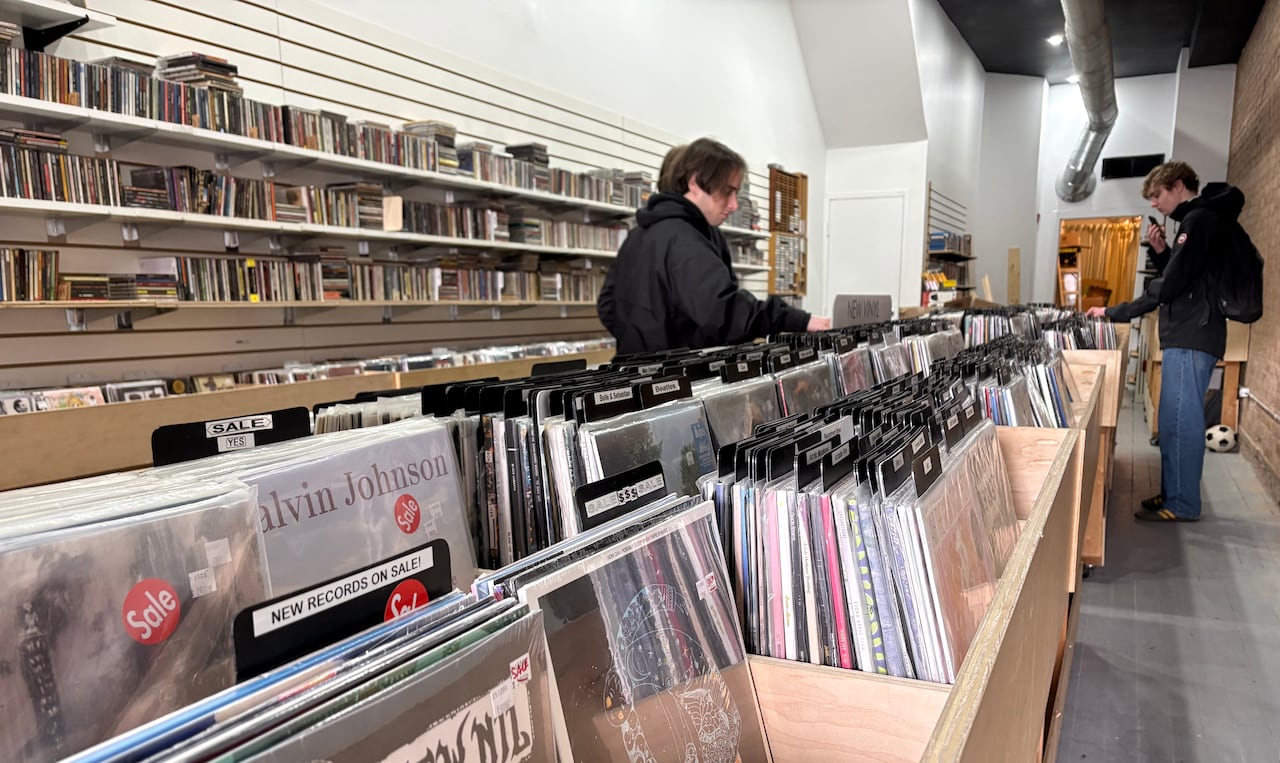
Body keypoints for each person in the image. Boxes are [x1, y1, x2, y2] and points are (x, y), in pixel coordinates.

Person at [1086, 161, 1245, 522]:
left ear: (1177, 186)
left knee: (1179, 420)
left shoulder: (1199, 219)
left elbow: (1171, 286)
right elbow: (1186, 275)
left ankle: (1183, 504)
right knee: (1173, 420)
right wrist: (1162, 254)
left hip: (1192, 335)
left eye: (1157, 195)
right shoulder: (1199, 220)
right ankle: (1175, 494)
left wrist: (1117, 311)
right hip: (1192, 332)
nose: (1154, 204)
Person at [597, 138, 830, 355]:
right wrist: (798, 321)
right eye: (727, 191)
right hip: (676, 382)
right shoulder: (683, 239)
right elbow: (722, 312)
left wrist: (643, 341)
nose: (734, 205)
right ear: (695, 183)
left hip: (634, 378)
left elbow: (607, 304)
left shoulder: (639, 234)